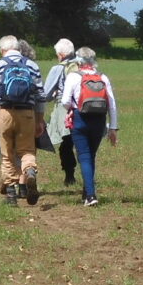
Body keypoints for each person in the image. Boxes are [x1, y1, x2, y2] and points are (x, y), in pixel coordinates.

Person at [0, 35, 47, 206]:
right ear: (18, 48)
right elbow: (41, 96)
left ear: (2, 50)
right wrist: (40, 121)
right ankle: (30, 172)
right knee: (27, 150)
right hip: (27, 113)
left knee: (7, 154)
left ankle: (11, 195)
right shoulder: (32, 65)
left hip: (5, 113)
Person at [61, 46, 118, 207]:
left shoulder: (73, 76)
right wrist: (113, 127)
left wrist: (71, 109)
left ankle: (90, 195)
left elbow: (65, 101)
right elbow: (112, 104)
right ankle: (87, 191)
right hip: (99, 120)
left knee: (84, 156)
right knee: (90, 155)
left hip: (79, 119)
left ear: (78, 61)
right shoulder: (103, 77)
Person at [44, 38, 80, 187]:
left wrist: (53, 95)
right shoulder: (83, 65)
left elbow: (45, 94)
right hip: (84, 107)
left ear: (61, 54)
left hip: (64, 109)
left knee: (66, 143)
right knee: (82, 143)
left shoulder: (58, 68)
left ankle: (69, 175)